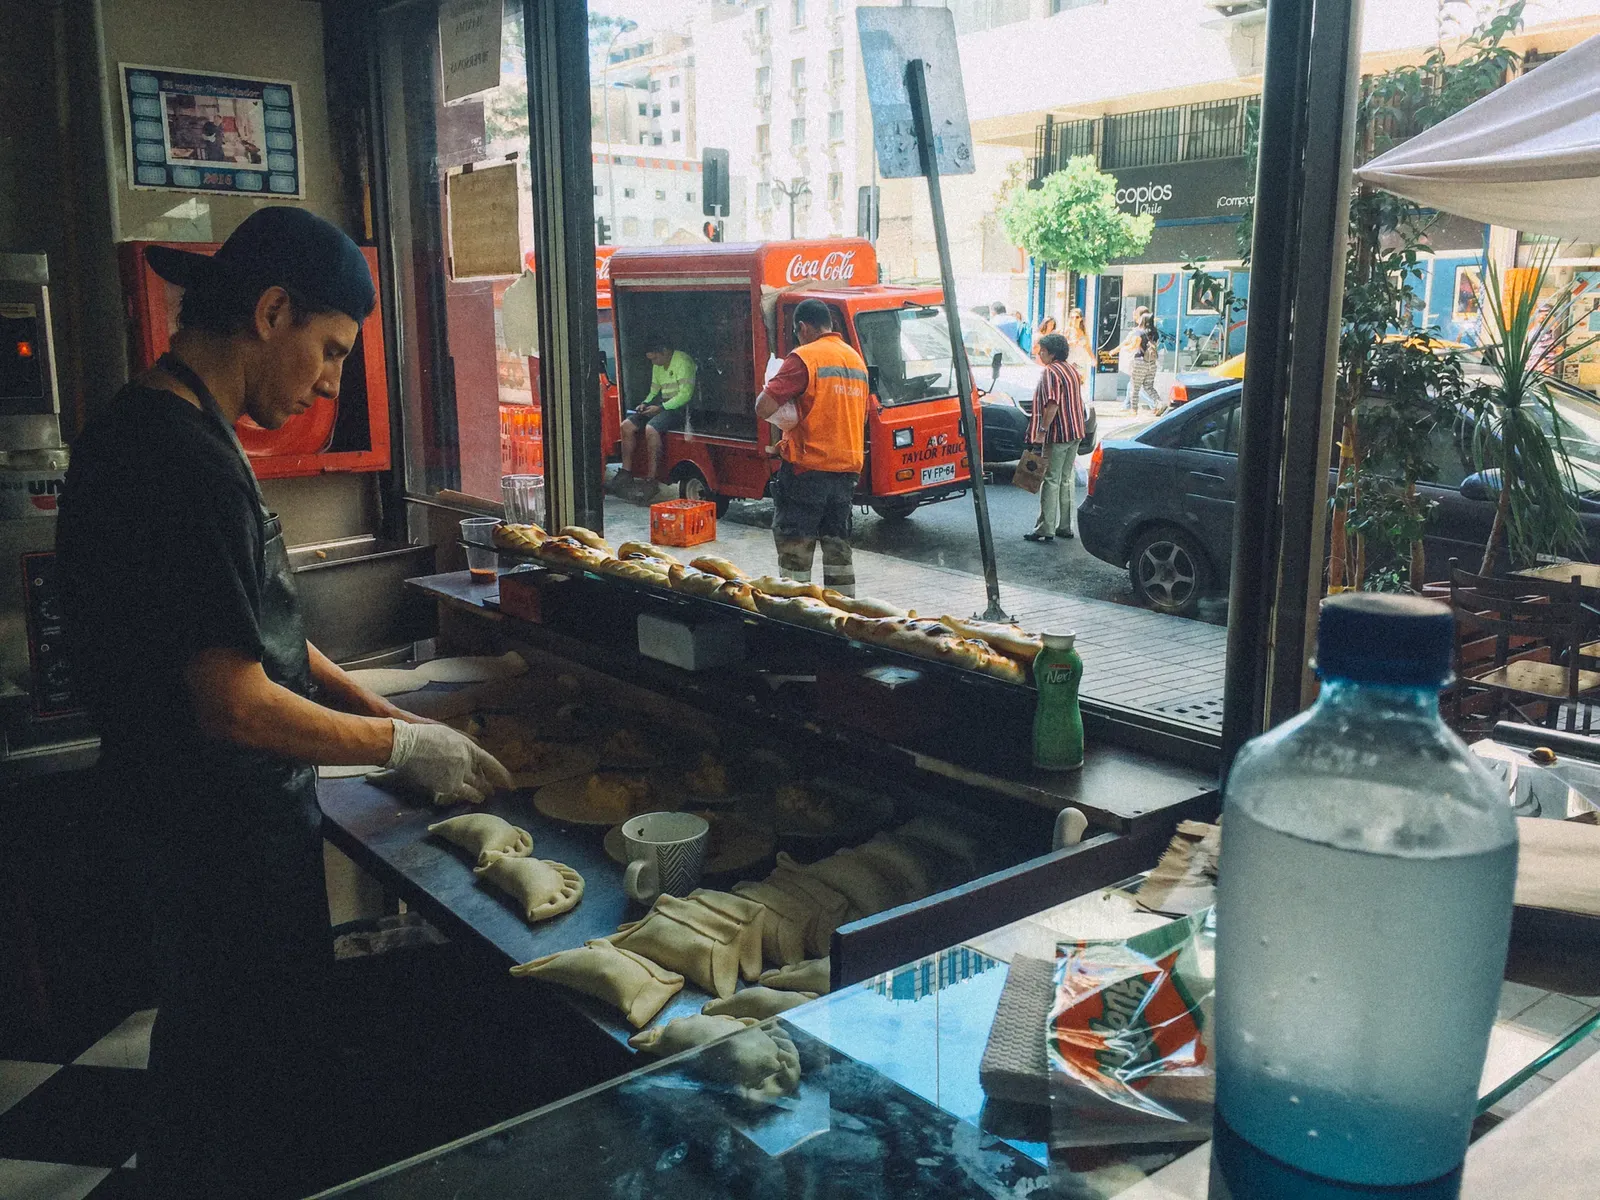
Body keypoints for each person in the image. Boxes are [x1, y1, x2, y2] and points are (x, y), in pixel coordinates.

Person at [56, 206, 513, 1200]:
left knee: (202, 1076)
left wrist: (398, 718)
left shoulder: (152, 427)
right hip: (214, 847)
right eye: (331, 351)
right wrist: (399, 751)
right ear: (273, 311)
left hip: (190, 835)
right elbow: (233, 702)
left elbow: (256, 631)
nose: (330, 382)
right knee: (248, 1097)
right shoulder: (184, 463)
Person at [754, 298, 869, 595]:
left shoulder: (805, 357)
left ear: (803, 327)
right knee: (838, 551)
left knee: (795, 552)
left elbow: (763, 406)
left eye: (797, 332)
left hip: (808, 472)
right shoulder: (856, 360)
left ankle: (795, 616)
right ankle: (844, 615)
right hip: (846, 474)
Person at [1022, 332, 1087, 543]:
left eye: (1042, 350)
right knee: (1065, 479)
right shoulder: (1071, 370)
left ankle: (1045, 527)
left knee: (1050, 478)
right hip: (1075, 430)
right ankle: (1065, 525)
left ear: (1051, 353)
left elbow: (1053, 403)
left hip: (1058, 433)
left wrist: (1041, 431)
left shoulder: (1051, 372)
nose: (1040, 354)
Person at [618, 336, 696, 491]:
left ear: (665, 352)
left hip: (681, 408)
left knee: (651, 429)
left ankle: (651, 479)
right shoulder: (658, 365)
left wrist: (661, 408)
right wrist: (645, 403)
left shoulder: (683, 362)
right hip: (663, 404)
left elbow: (686, 395)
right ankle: (625, 473)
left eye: (655, 359)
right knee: (626, 426)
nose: (653, 363)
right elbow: (654, 390)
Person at [1124, 312, 1162, 413]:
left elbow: (1133, 346)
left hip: (1140, 362)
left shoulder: (1139, 332)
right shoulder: (1155, 333)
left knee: (1134, 387)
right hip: (1152, 363)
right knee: (1149, 387)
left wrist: (1125, 348)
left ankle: (1133, 410)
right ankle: (1159, 403)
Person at [1065, 308, 1096, 384]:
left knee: (1080, 381)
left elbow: (1087, 347)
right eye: (1072, 317)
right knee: (1071, 381)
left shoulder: (1083, 332)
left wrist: (1093, 358)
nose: (1074, 319)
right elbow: (1063, 344)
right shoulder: (1068, 330)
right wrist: (1072, 342)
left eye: (1077, 317)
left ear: (1081, 319)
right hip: (1071, 359)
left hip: (1081, 360)